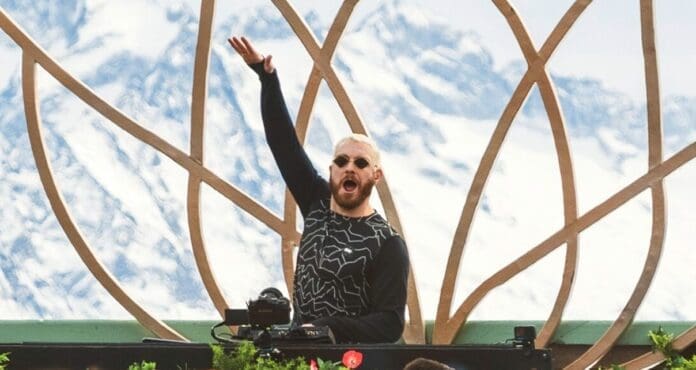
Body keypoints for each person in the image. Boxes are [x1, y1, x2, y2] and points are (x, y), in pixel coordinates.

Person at [228, 36, 409, 344]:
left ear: (375, 175)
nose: (350, 167)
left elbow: (390, 324)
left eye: (361, 163)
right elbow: (284, 145)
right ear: (331, 170)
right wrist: (267, 79)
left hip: (348, 360)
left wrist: (330, 327)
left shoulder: (387, 243)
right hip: (297, 352)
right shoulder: (316, 201)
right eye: (342, 160)